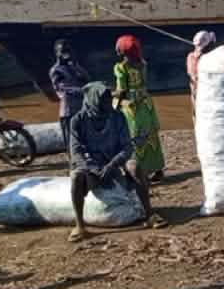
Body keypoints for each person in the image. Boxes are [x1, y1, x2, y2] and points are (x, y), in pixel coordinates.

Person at [68, 82, 160, 240]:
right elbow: (76, 151)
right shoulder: (78, 120)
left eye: (108, 99)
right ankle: (80, 226)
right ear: (92, 99)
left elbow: (126, 147)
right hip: (92, 168)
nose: (107, 103)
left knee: (134, 166)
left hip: (114, 163)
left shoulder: (117, 116)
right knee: (76, 177)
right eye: (103, 100)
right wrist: (92, 167)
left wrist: (112, 165)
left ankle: (150, 214)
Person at [113, 35, 166, 182]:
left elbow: (121, 90)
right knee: (151, 137)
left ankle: (139, 171)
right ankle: (157, 170)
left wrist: (109, 94)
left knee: (135, 137)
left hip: (132, 108)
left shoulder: (121, 67)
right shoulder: (142, 63)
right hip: (146, 105)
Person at [49, 39, 90, 153]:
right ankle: (73, 166)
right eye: (63, 51)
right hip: (68, 111)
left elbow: (87, 78)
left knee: (85, 141)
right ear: (57, 53)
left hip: (81, 109)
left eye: (68, 51)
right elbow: (62, 89)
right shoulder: (56, 71)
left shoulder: (74, 67)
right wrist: (82, 90)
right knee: (71, 143)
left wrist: (75, 65)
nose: (66, 54)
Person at [187, 31, 217, 102]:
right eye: (211, 43)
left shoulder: (190, 56)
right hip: (202, 90)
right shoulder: (205, 58)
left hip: (199, 89)